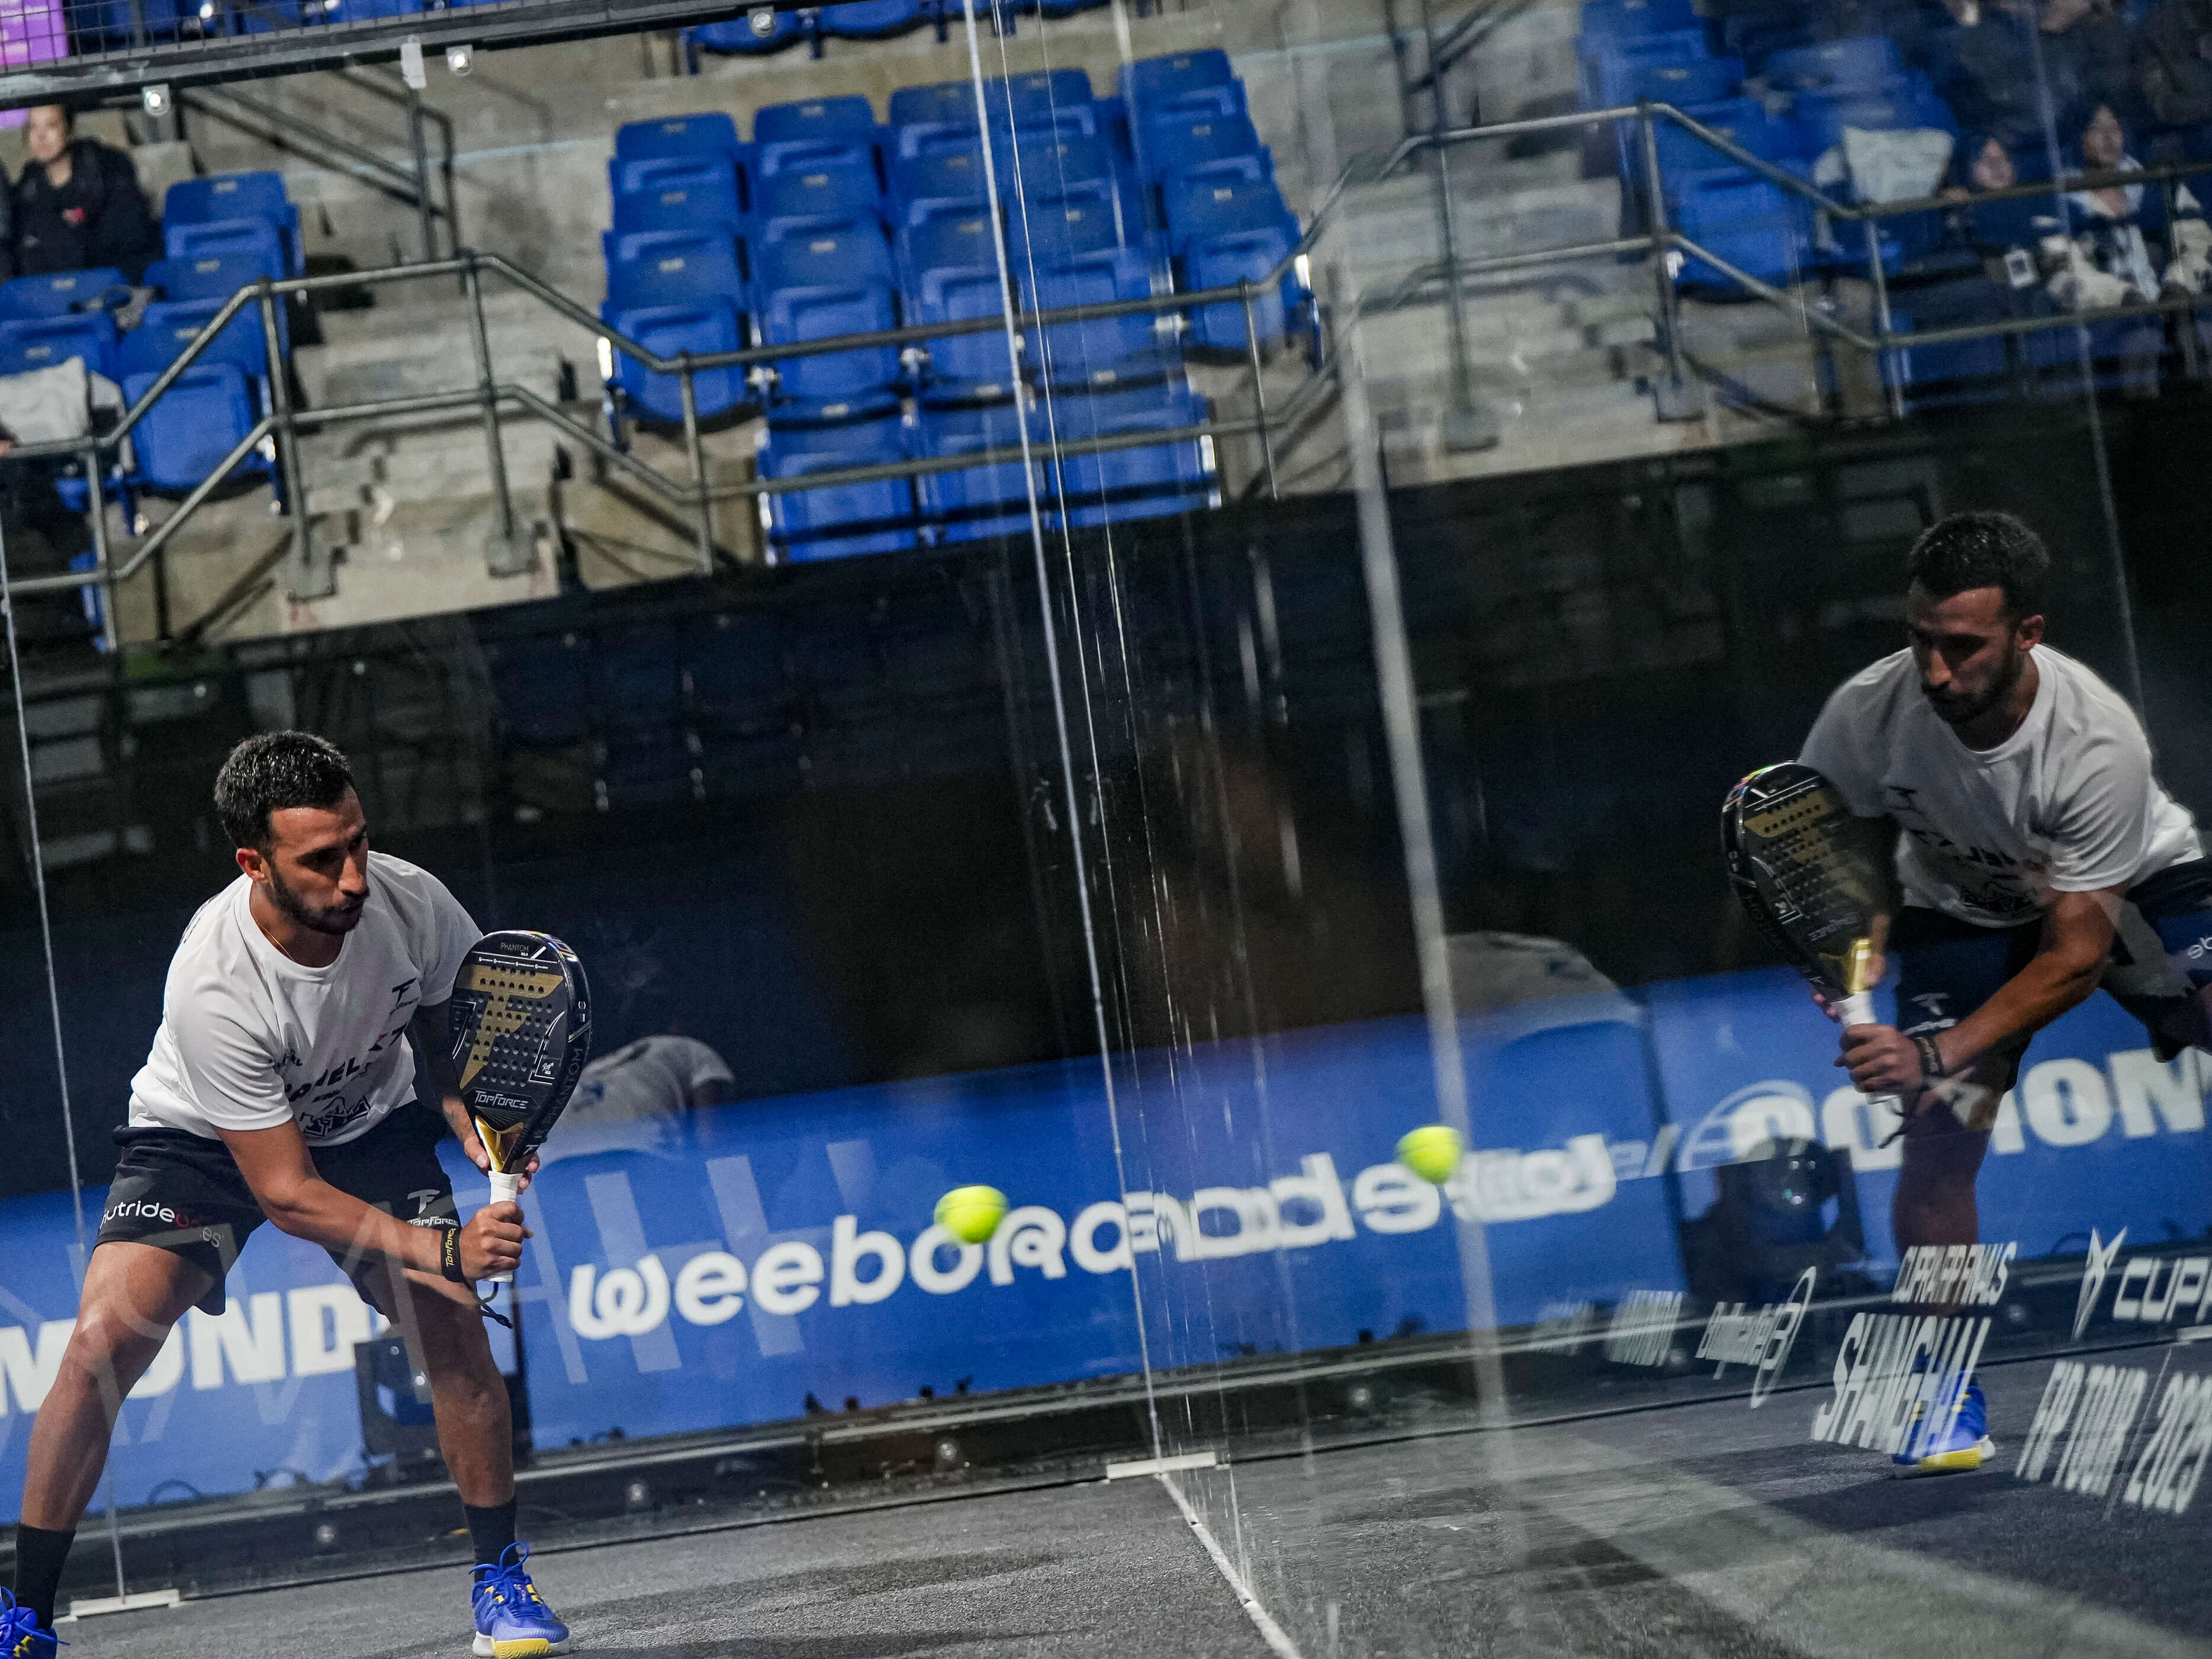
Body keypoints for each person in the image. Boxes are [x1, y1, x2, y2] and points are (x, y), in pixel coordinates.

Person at [0, 734, 572, 1659]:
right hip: (202, 1144)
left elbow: (449, 1019)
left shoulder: (412, 900)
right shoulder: (214, 984)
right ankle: (23, 1615)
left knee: (451, 1326)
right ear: (254, 863)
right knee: (101, 1344)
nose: (354, 878)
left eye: (358, 842)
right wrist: (446, 1247)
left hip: (367, 1124)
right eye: (321, 859)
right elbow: (289, 1193)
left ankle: (499, 1578)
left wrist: (465, 1112)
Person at [1798, 510, 2211, 1472]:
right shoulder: (1868, 711)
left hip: (2126, 884)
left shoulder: (2095, 741)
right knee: (1940, 1132)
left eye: (1963, 646)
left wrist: (1934, 1050)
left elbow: (2074, 958)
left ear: (2027, 633)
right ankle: (1943, 1389)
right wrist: (1854, 945)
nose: (1935, 671)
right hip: (1961, 910)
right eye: (1920, 640)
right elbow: (1826, 849)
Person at [11, 104, 161, 284]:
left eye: (51, 125)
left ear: (70, 129)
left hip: (116, 282)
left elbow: (130, 236)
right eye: (33, 127)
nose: (41, 136)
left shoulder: (108, 169)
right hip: (55, 288)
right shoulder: (28, 187)